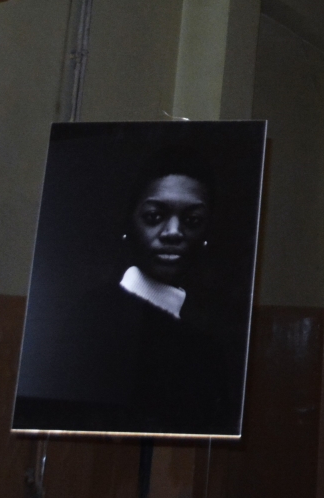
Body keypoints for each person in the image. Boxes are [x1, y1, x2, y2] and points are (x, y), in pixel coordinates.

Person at [14, 155, 240, 436]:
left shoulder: (206, 343)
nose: (173, 232)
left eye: (192, 220)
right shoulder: (93, 319)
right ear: (128, 224)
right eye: (154, 217)